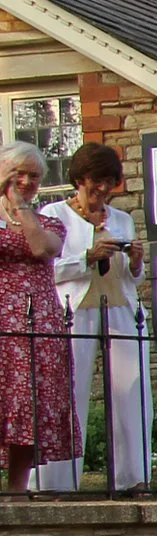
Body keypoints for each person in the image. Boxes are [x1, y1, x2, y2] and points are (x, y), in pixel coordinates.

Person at [36, 143, 152, 494]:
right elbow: (46, 268)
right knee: (68, 389)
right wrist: (87, 256)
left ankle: (134, 477)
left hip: (118, 306)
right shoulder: (53, 214)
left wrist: (134, 262)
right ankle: (55, 482)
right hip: (75, 310)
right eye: (94, 183)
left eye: (107, 183)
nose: (100, 190)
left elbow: (135, 278)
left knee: (132, 389)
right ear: (79, 179)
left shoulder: (121, 219)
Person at [0, 142, 76, 494]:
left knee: (30, 402)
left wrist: (21, 209)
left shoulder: (50, 221)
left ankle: (17, 488)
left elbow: (41, 248)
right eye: (20, 174)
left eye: (34, 176)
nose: (28, 181)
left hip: (37, 318)